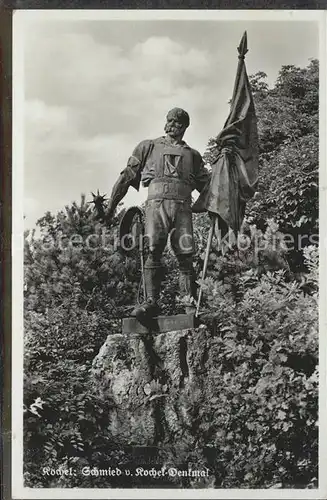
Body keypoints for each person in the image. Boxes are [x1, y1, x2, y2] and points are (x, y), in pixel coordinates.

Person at [105, 107, 210, 319]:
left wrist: (225, 168)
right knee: (153, 250)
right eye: (170, 120)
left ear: (185, 126)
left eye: (178, 122)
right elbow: (127, 176)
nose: (172, 125)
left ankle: (188, 304)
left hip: (182, 208)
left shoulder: (193, 155)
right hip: (156, 206)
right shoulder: (149, 147)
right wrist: (111, 207)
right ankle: (151, 301)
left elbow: (209, 188)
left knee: (185, 255)